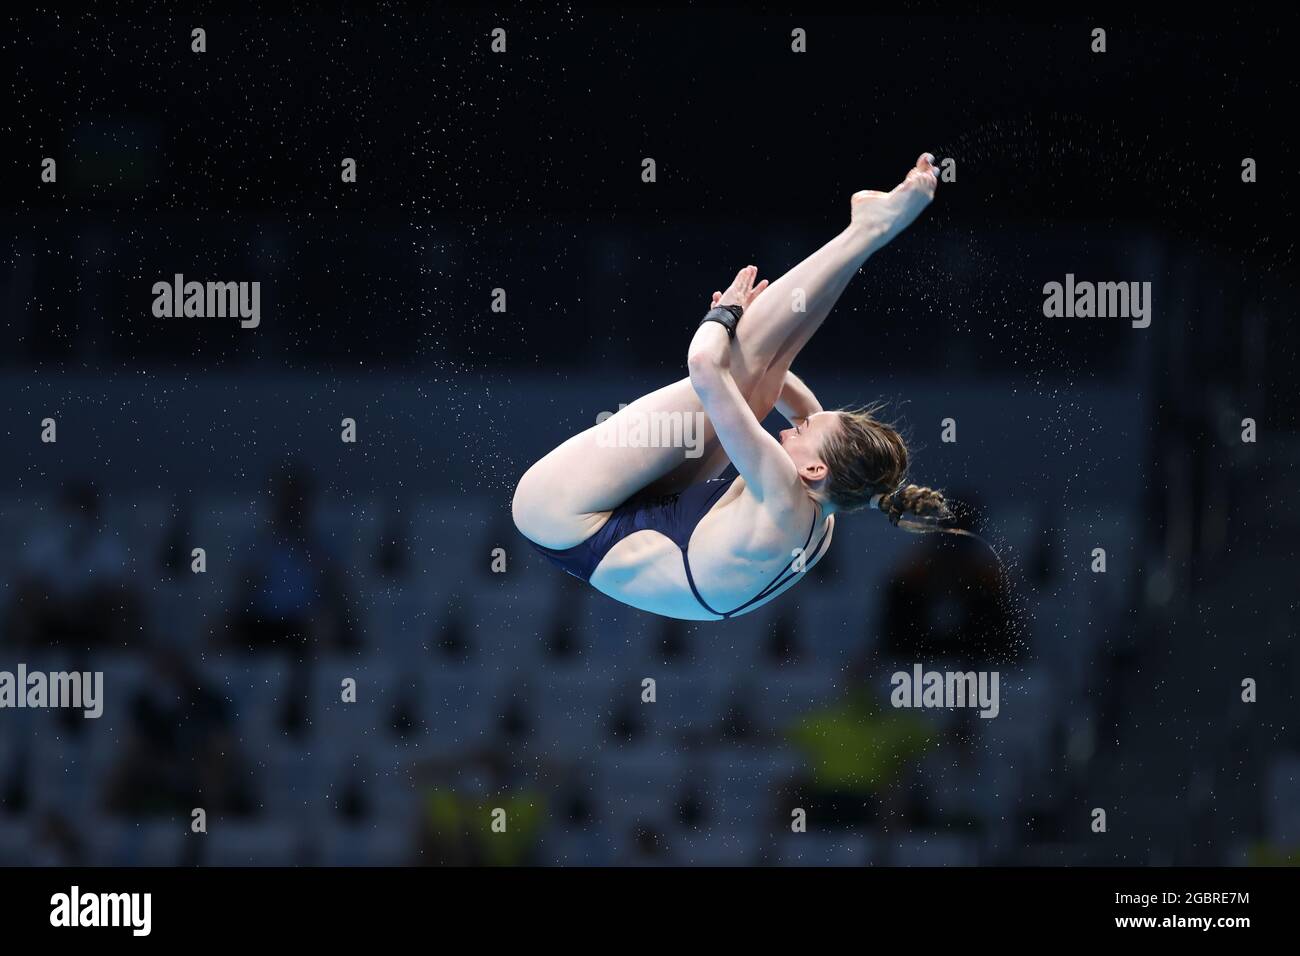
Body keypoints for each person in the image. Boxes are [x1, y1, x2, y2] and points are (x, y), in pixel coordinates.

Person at [513, 154, 952, 621]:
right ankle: (865, 236)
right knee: (757, 380)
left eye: (801, 434)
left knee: (742, 370)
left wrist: (728, 313)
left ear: (815, 467)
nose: (789, 430)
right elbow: (777, 381)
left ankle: (865, 232)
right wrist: (770, 330)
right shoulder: (823, 512)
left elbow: (703, 365)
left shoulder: (783, 488)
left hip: (560, 512)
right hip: (638, 527)